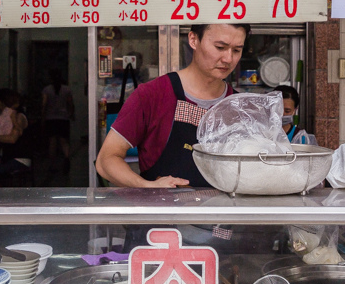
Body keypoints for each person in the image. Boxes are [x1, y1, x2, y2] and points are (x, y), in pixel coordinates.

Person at [95, 23, 250, 188]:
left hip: (226, 212)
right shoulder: (152, 95)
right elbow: (106, 160)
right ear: (193, 40)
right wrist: (146, 186)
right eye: (220, 47)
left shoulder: (242, 107)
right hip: (164, 211)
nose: (228, 59)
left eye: (236, 50)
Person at [41, 69, 75, 169]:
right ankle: (66, 157)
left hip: (50, 118)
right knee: (63, 140)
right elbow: (70, 103)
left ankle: (52, 164)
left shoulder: (46, 90)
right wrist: (71, 114)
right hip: (63, 118)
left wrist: (43, 117)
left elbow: (44, 105)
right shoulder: (66, 89)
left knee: (52, 141)